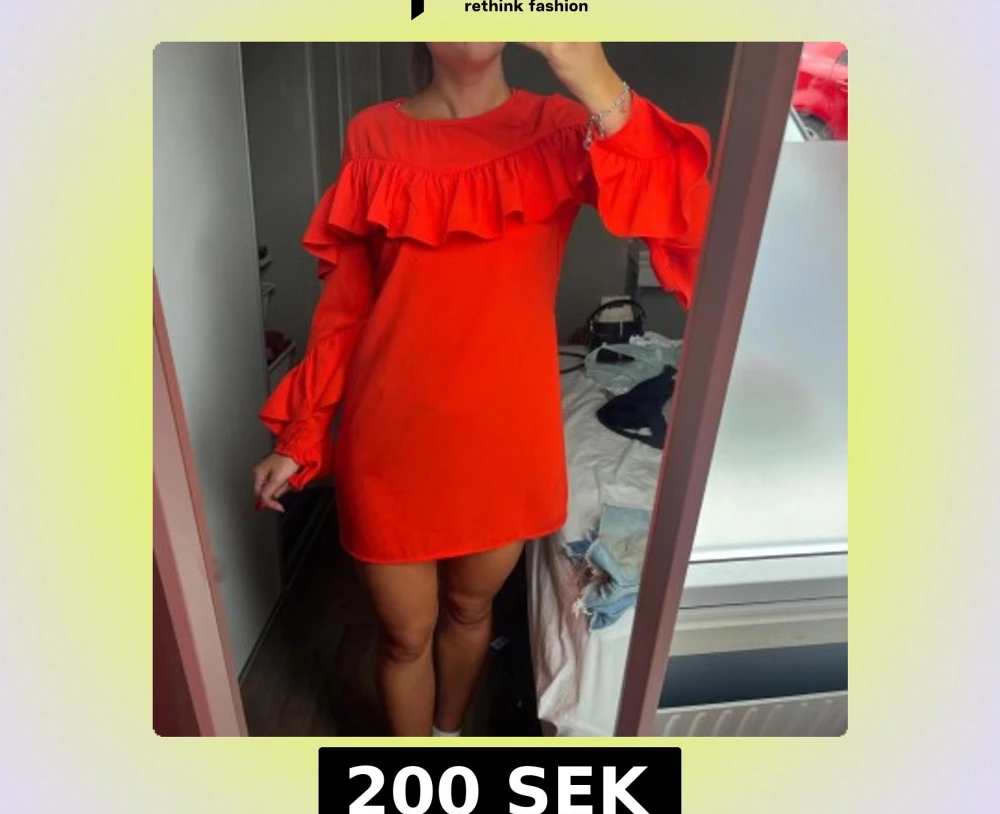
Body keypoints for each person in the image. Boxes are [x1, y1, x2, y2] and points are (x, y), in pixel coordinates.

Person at [252, 42, 712, 736]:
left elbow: (688, 214)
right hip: (390, 438)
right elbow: (347, 308)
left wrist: (591, 74)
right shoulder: (373, 134)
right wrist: (302, 432)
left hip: (503, 439)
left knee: (471, 613)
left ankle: (448, 738)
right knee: (404, 636)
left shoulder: (562, 127)